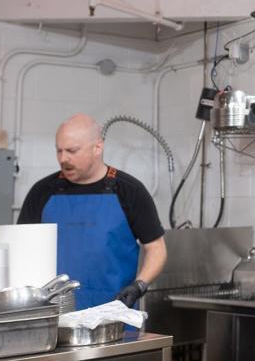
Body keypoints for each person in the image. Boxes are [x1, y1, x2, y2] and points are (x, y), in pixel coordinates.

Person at [19, 114, 167, 310]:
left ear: (98, 147)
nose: (63, 159)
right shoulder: (42, 192)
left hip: (115, 316)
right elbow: (22, 248)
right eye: (59, 151)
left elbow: (156, 249)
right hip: (53, 316)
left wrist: (139, 285)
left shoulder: (129, 191)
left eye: (72, 151)